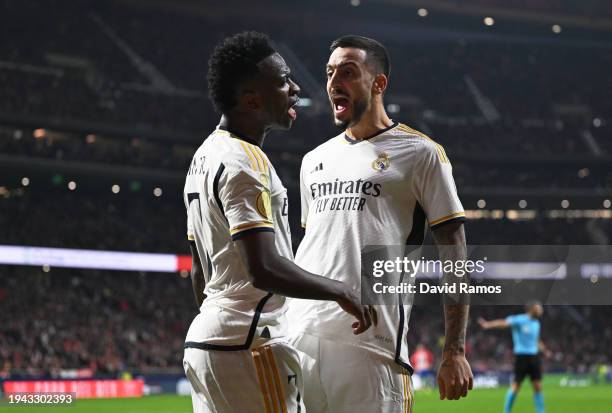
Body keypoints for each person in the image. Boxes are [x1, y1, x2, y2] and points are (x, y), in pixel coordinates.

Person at [182, 31, 375, 413]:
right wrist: (342, 291)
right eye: (283, 80)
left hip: (211, 343)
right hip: (250, 342)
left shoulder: (202, 157)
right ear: (251, 98)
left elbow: (198, 275)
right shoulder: (245, 160)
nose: (295, 88)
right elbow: (264, 268)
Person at [287, 35, 473, 412]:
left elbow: (455, 252)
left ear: (378, 84)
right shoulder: (313, 160)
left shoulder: (421, 154)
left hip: (371, 346)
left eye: (348, 72)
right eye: (329, 73)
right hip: (299, 337)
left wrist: (453, 350)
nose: (334, 81)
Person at [479, 302, 551, 413]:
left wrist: (545, 351)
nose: (541, 310)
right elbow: (503, 323)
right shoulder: (519, 320)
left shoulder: (536, 323)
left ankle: (541, 412)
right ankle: (506, 411)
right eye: (539, 308)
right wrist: (487, 325)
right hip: (521, 357)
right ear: (531, 309)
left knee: (537, 386)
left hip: (534, 357)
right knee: (516, 386)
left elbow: (536, 340)